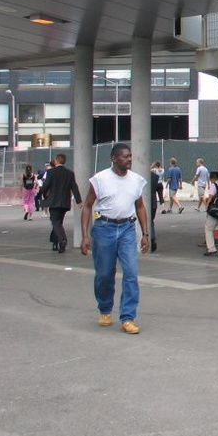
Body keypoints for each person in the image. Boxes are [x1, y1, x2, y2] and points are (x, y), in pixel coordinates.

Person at [80, 143, 149, 335]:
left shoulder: (136, 180)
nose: (129, 159)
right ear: (114, 158)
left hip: (127, 228)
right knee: (104, 274)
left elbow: (140, 206)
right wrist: (85, 235)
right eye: (125, 156)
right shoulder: (100, 180)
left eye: (130, 156)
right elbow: (87, 206)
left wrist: (145, 234)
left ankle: (128, 317)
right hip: (104, 228)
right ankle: (104, 309)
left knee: (131, 273)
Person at [36, 154, 83, 253]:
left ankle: (62, 240)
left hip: (54, 201)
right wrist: (79, 201)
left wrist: (43, 194)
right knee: (58, 222)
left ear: (56, 161)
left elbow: (45, 185)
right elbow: (74, 187)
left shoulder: (51, 172)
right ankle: (55, 243)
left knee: (55, 222)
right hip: (65, 202)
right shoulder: (70, 173)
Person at [148, 161, 166, 252]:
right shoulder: (155, 177)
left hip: (145, 202)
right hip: (153, 202)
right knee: (150, 221)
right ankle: (152, 238)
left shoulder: (140, 178)